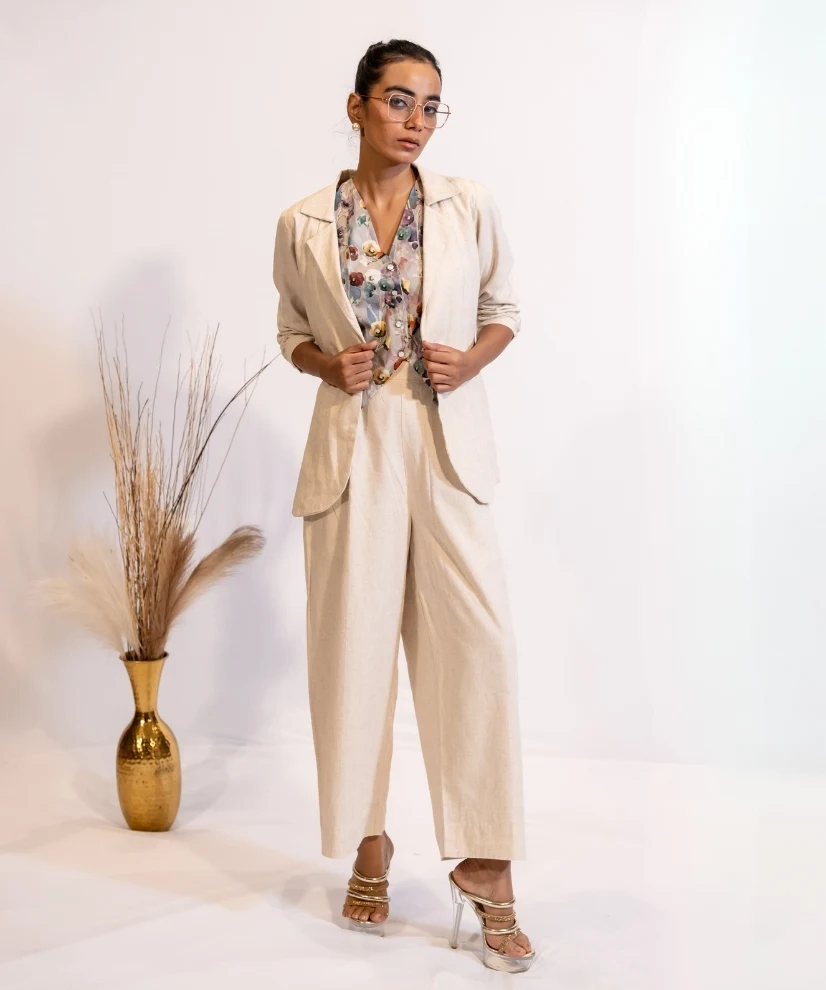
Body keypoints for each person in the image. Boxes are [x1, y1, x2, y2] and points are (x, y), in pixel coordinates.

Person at [272, 38, 534, 973]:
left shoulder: (468, 205)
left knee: (479, 647)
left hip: (445, 441)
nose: (416, 121)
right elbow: (290, 330)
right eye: (398, 100)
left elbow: (504, 308)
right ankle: (369, 842)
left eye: (430, 105)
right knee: (354, 653)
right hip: (354, 447)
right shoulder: (303, 222)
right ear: (357, 107)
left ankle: (486, 865)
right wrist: (323, 363)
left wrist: (471, 361)